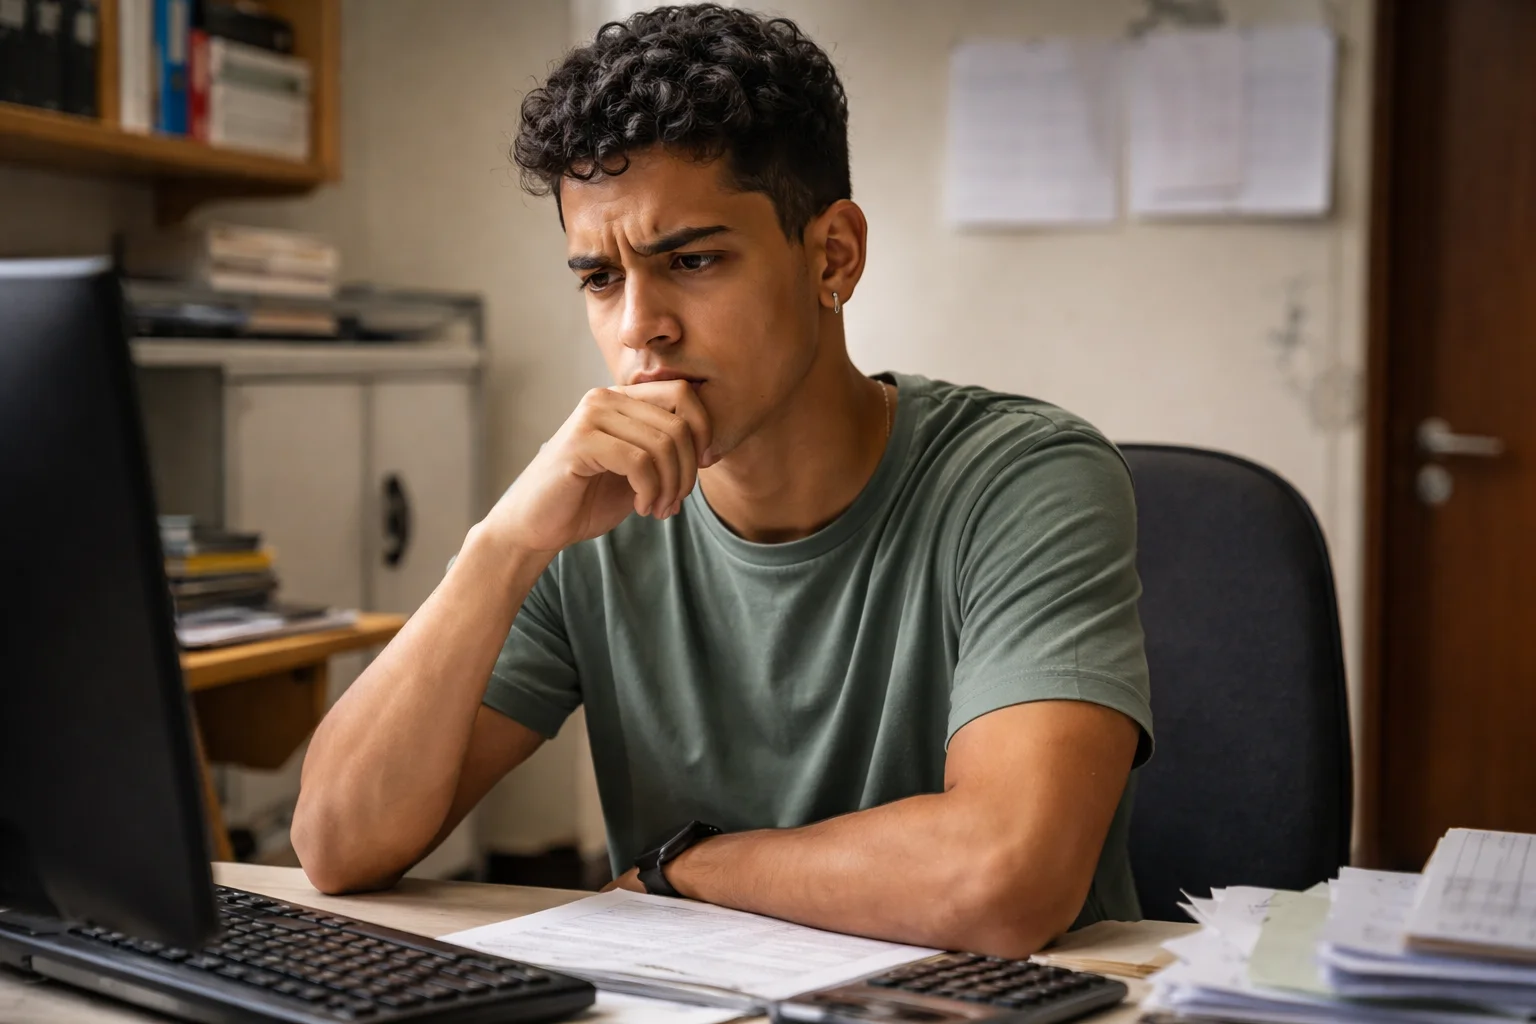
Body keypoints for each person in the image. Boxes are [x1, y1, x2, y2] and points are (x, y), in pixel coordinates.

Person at [292, 3, 1153, 958]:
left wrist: (683, 869)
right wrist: (500, 549)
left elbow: (1003, 880)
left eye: (693, 261)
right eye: (599, 279)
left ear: (834, 256)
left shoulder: (1025, 480)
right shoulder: (587, 517)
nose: (638, 327)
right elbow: (335, 845)